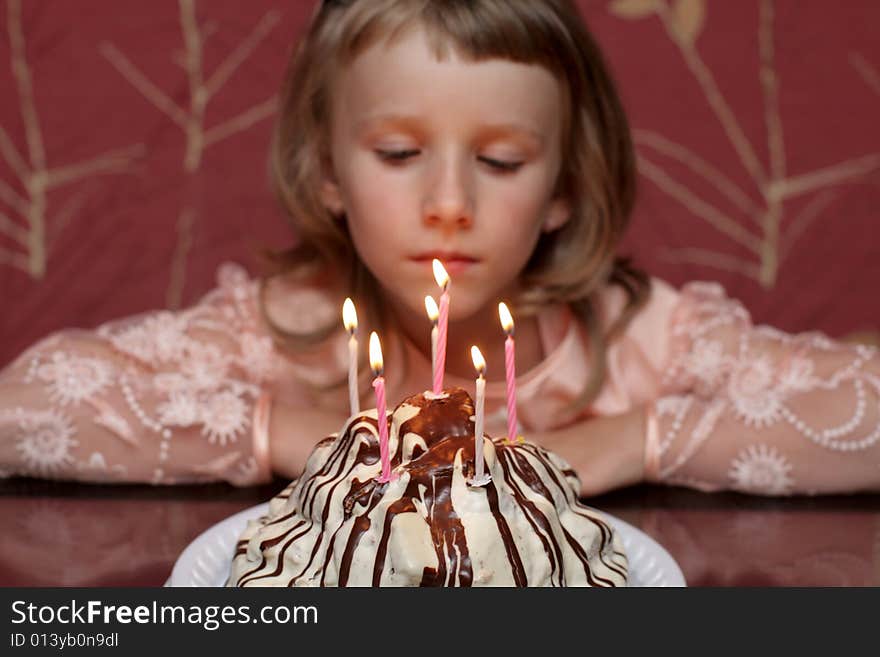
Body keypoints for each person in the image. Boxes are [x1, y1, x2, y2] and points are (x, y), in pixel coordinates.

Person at [1, 0, 878, 496]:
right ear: (329, 170)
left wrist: (632, 439)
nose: (450, 204)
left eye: (501, 161)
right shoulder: (287, 332)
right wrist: (300, 433)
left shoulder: (650, 338)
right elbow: (23, 409)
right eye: (398, 154)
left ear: (564, 187)